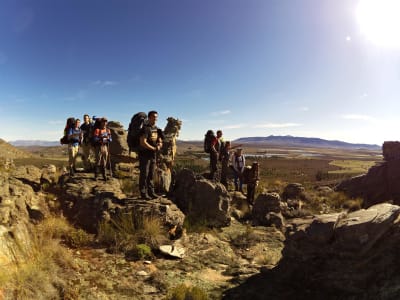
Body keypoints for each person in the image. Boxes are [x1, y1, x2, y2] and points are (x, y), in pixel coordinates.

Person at [139, 110, 163, 200]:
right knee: (144, 174)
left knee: (151, 174)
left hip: (153, 155)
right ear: (149, 117)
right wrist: (153, 148)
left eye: (156, 117)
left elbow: (160, 139)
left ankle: (151, 192)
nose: (155, 118)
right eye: (153, 116)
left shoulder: (156, 128)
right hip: (144, 154)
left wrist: (160, 144)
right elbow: (142, 142)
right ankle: (143, 193)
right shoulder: (146, 128)